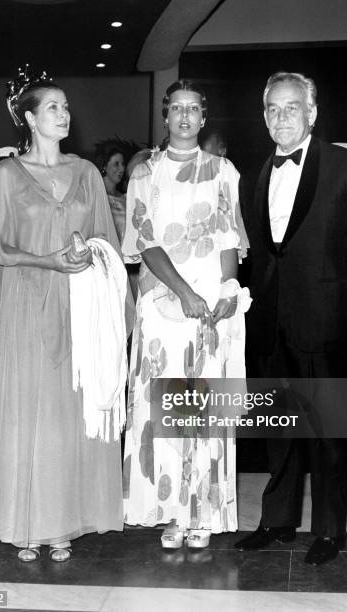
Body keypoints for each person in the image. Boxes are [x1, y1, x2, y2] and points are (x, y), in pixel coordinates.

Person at [0, 69, 125, 563]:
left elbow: (108, 241)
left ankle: (61, 524)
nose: (64, 112)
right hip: (28, 306)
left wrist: (88, 253)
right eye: (53, 106)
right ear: (31, 118)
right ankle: (27, 523)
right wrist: (46, 261)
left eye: (66, 105)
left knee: (70, 416)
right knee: (29, 414)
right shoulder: (7, 177)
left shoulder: (86, 174)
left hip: (80, 306)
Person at [237, 72, 347, 565]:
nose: (281, 118)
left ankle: (328, 531)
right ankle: (277, 521)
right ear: (264, 116)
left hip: (326, 321)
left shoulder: (344, 167)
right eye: (273, 109)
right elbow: (262, 253)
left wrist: (342, 308)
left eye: (291, 108)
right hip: (271, 321)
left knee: (327, 432)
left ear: (312, 113)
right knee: (278, 427)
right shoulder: (258, 171)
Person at [121, 79, 249, 550]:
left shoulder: (223, 170)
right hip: (162, 304)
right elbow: (147, 242)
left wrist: (225, 292)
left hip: (209, 307)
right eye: (177, 108)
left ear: (204, 116)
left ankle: (203, 512)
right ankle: (172, 513)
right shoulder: (144, 175)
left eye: (194, 108)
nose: (185, 117)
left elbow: (229, 241)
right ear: (164, 114)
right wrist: (184, 293)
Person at [96, 144, 126, 243]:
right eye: (116, 164)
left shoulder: (126, 199)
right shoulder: (95, 197)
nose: (121, 169)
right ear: (104, 166)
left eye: (122, 164)